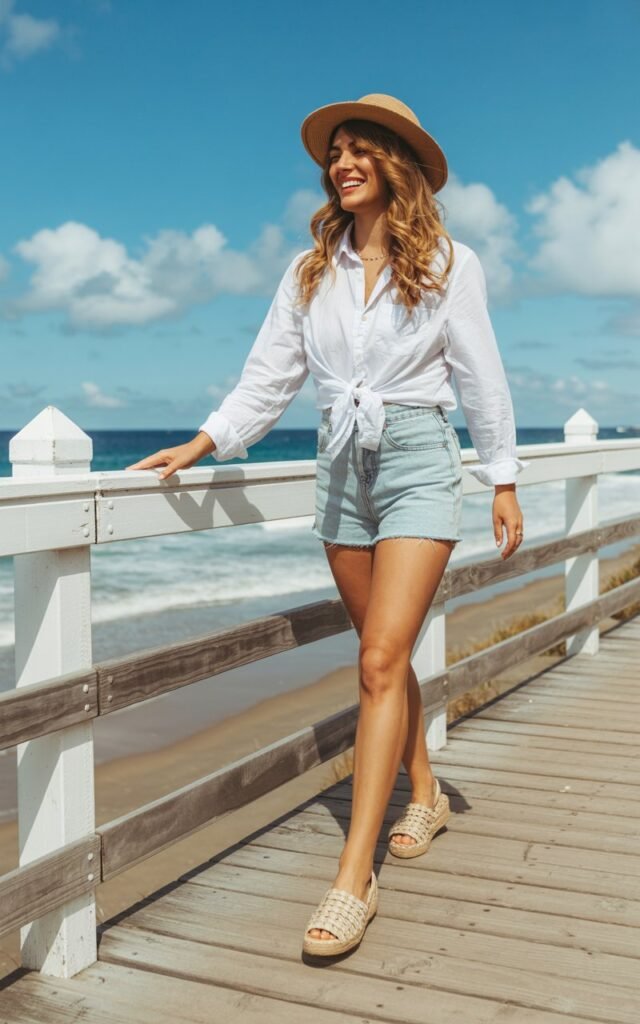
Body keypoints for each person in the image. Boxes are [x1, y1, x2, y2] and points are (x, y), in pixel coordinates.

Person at [126, 93, 529, 958]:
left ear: (397, 163)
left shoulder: (452, 263)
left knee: (382, 659)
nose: (342, 164)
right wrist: (202, 443)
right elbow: (268, 376)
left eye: (360, 151)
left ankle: (356, 874)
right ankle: (425, 790)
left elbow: (482, 376)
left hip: (419, 454)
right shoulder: (311, 268)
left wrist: (503, 477)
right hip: (339, 466)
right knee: (379, 657)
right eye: (335, 153)